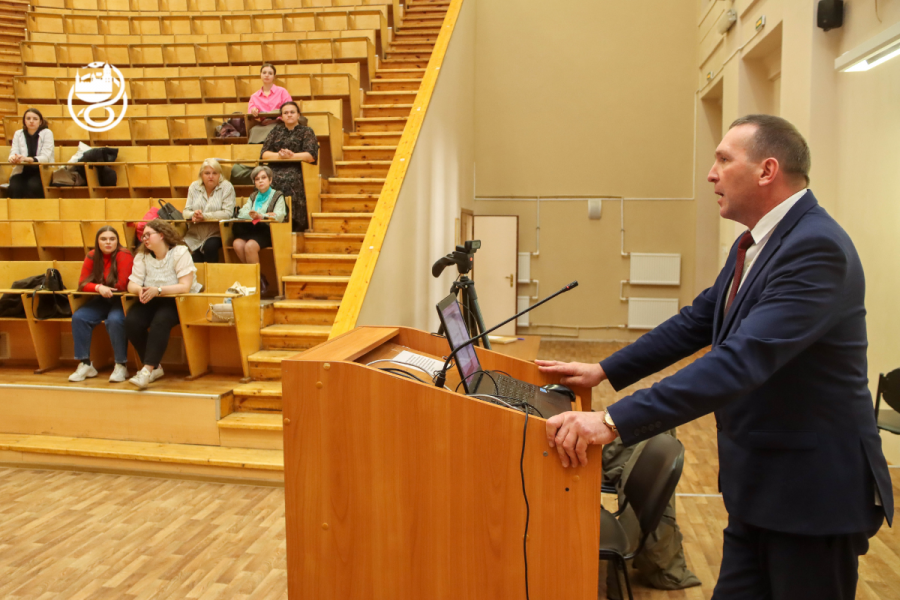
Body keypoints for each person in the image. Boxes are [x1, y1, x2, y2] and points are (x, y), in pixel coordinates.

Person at [538, 115, 893, 600]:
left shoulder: (815, 247)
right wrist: (603, 370)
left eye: (724, 159)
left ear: (767, 170)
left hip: (810, 497)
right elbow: (699, 320)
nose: (711, 174)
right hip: (760, 490)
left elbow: (741, 360)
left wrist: (613, 421)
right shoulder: (757, 241)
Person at [125, 219, 201, 390]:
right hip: (152, 297)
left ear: (161, 235)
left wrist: (158, 290)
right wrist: (139, 290)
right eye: (143, 236)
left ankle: (146, 370)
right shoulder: (142, 256)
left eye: (148, 235)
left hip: (178, 300)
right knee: (132, 321)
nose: (144, 239)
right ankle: (155, 368)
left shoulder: (180, 252)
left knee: (160, 321)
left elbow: (185, 287)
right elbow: (132, 284)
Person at [69, 226, 134, 383]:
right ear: (97, 242)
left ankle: (121, 365)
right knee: (79, 317)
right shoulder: (92, 255)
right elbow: (82, 284)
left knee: (115, 320)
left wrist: (100, 286)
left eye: (112, 239)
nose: (108, 242)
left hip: (121, 299)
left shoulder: (124, 254)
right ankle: (85, 364)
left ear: (117, 241)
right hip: (101, 298)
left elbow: (122, 285)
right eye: (103, 239)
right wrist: (98, 287)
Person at [260, 101, 318, 232]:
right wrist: (280, 156)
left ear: (298, 115)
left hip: (299, 168)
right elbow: (264, 154)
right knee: (264, 179)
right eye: (285, 113)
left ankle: (294, 221)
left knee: (290, 178)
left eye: (292, 112)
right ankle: (266, 221)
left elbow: (311, 155)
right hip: (275, 166)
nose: (289, 115)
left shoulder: (307, 131)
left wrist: (292, 156)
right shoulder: (275, 131)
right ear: (281, 116)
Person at [232, 166, 287, 296]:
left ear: (270, 180)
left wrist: (261, 216)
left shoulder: (278, 195)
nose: (260, 181)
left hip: (268, 230)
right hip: (251, 229)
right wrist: (256, 214)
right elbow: (242, 213)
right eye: (257, 179)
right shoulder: (253, 196)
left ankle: (256, 282)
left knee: (250, 246)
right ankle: (259, 277)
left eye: (263, 178)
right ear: (254, 182)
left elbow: (279, 215)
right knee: (237, 244)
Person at [183, 158, 236, 263]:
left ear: (219, 175)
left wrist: (204, 216)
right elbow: (185, 211)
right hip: (195, 233)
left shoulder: (227, 187)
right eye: (207, 173)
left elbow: (227, 213)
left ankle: (211, 273)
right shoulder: (194, 186)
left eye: (214, 173)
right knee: (182, 248)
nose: (211, 176)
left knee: (210, 246)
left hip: (217, 233)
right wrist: (193, 214)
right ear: (201, 175)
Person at [7, 108, 54, 199]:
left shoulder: (47, 133)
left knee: (33, 186)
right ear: (24, 121)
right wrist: (13, 158)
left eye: (35, 119)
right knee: (14, 186)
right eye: (28, 118)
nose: (31, 121)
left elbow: (45, 157)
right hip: (22, 171)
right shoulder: (18, 133)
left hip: (40, 172)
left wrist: (27, 159)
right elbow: (14, 151)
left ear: (40, 121)